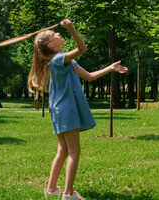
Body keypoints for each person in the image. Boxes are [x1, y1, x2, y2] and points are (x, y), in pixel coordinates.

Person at [28, 19, 128, 200]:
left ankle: (51, 190)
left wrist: (110, 68)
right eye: (55, 34)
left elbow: (89, 77)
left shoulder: (65, 60)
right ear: (50, 45)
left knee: (63, 150)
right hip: (66, 110)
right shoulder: (58, 59)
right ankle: (68, 194)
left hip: (60, 110)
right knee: (74, 151)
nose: (59, 34)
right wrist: (71, 28)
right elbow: (82, 49)